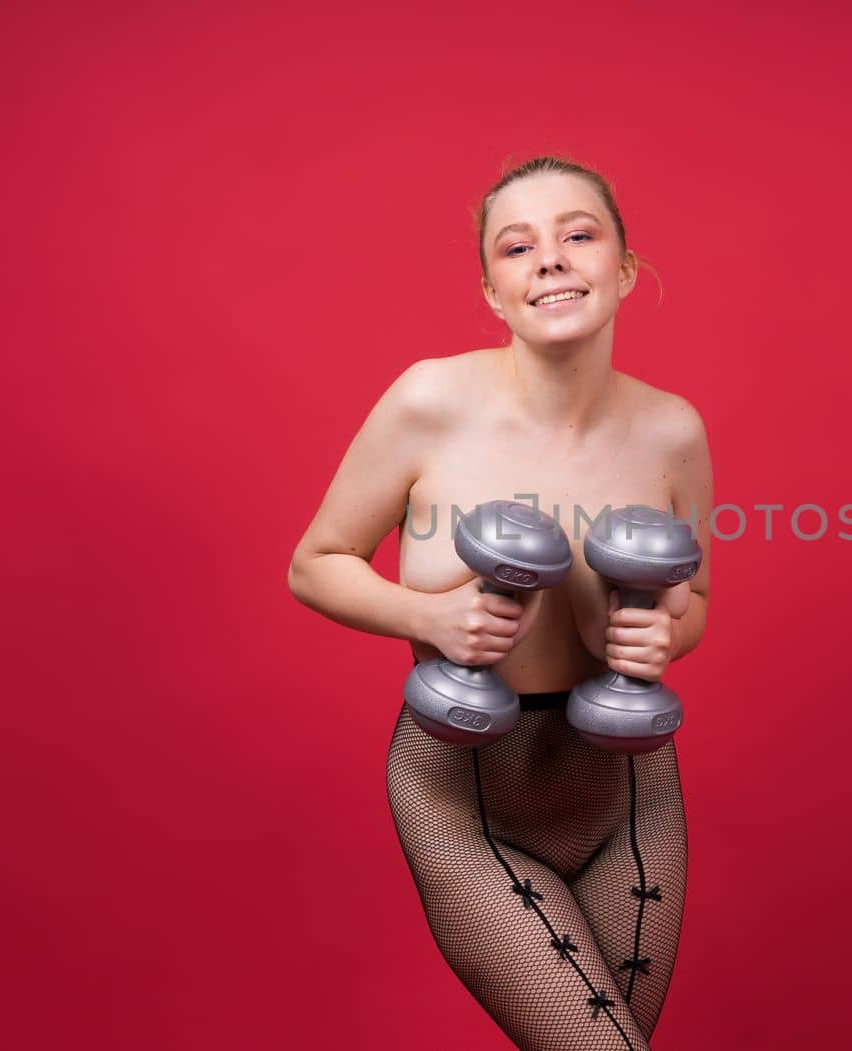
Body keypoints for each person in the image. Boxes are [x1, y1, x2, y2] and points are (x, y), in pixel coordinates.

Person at [287, 155, 714, 1050]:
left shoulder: (673, 428)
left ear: (626, 269)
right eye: (518, 247)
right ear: (493, 290)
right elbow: (316, 562)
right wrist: (428, 617)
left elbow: (697, 598)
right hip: (466, 793)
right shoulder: (429, 401)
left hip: (630, 797)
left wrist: (665, 634)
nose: (550, 259)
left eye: (579, 234)